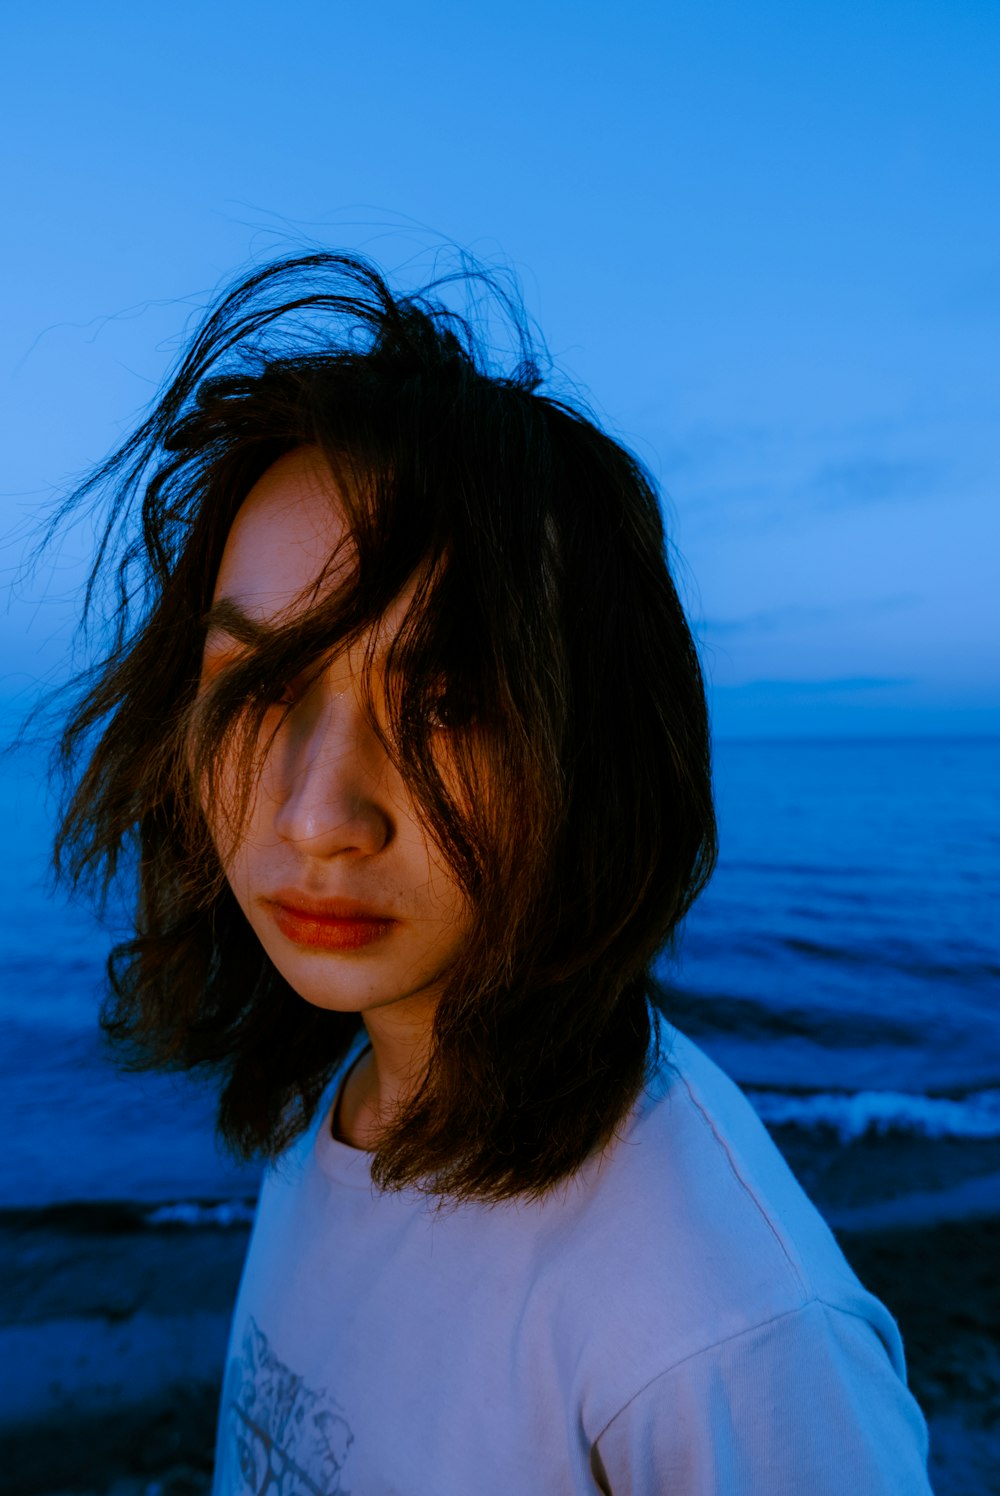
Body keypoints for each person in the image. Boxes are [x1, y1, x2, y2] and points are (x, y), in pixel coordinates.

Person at [45, 252, 932, 1492]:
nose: (316, 817)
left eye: (448, 703)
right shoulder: (340, 1089)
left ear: (591, 751)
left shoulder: (719, 1337)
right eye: (258, 686)